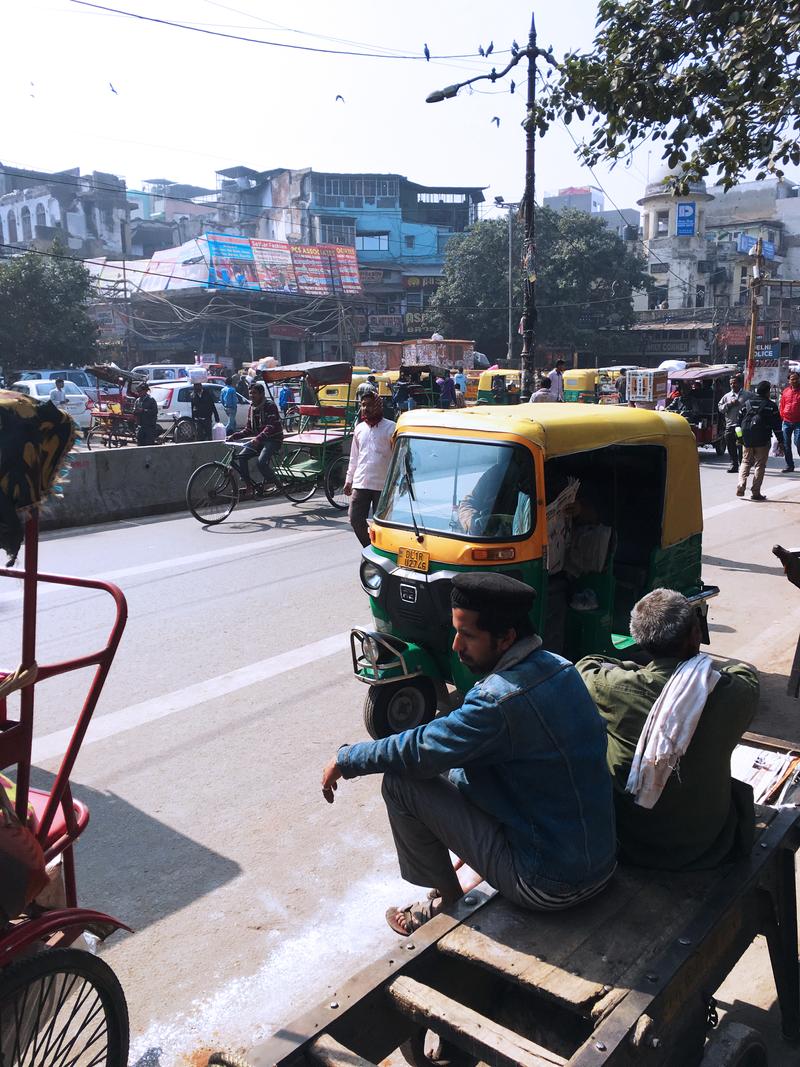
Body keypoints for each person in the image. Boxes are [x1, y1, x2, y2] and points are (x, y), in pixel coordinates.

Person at [321, 572, 617, 934]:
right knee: (458, 769)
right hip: (600, 861)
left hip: (548, 886)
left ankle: (448, 898)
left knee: (401, 780)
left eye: (469, 636)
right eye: (455, 631)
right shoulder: (560, 667)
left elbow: (419, 750)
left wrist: (347, 759)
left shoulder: (498, 700)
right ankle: (478, 866)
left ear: (506, 637)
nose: (456, 646)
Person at [577, 588, 758, 871]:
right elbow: (743, 672)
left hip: (630, 842)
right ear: (695, 634)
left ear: (638, 640)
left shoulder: (612, 687)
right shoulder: (733, 693)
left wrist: (632, 669)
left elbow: (587, 665)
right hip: (708, 843)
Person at [344, 391, 394, 546]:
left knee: (383, 526)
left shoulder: (391, 428)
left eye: (369, 405)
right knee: (355, 519)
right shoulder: (359, 429)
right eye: (363, 405)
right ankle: (370, 548)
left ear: (378, 406)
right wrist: (349, 479)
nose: (365, 408)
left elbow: (398, 458)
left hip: (383, 485)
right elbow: (354, 457)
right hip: (361, 483)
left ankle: (382, 550)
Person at [229, 381, 283, 487]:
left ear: (262, 394)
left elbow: (271, 427)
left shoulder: (270, 406)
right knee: (241, 457)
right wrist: (234, 436)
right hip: (260, 440)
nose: (251, 396)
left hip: (273, 440)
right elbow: (248, 429)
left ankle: (276, 483)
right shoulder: (252, 408)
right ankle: (249, 485)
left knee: (261, 462)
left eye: (254, 393)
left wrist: (258, 438)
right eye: (250, 393)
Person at [736, 380, 782, 501]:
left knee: (745, 462)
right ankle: (755, 493)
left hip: (747, 439)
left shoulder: (746, 403)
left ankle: (741, 485)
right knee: (760, 465)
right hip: (763, 440)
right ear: (767, 392)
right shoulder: (771, 406)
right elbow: (777, 427)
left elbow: (738, 423)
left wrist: (740, 438)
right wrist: (781, 441)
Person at [718, 372, 749, 473]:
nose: (732, 385)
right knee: (730, 445)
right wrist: (729, 404)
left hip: (740, 426)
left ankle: (742, 465)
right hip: (730, 426)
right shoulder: (726, 396)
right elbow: (720, 409)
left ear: (740, 384)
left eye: (734, 383)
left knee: (740, 445)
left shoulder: (747, 395)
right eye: (731, 383)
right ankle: (733, 465)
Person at [779, 370, 800, 472]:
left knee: (798, 442)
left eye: (796, 378)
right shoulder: (786, 391)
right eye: (792, 379)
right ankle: (790, 465)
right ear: (789, 381)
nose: (794, 380)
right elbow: (782, 404)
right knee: (786, 445)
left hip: (798, 423)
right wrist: (782, 416)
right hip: (786, 421)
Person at [133, 381, 158, 446]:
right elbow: (134, 411)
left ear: (145, 391)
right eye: (138, 391)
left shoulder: (151, 400)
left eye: (140, 391)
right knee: (140, 444)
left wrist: (144, 410)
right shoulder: (138, 400)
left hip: (149, 427)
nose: (139, 393)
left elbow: (154, 412)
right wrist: (135, 411)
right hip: (140, 426)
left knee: (149, 445)